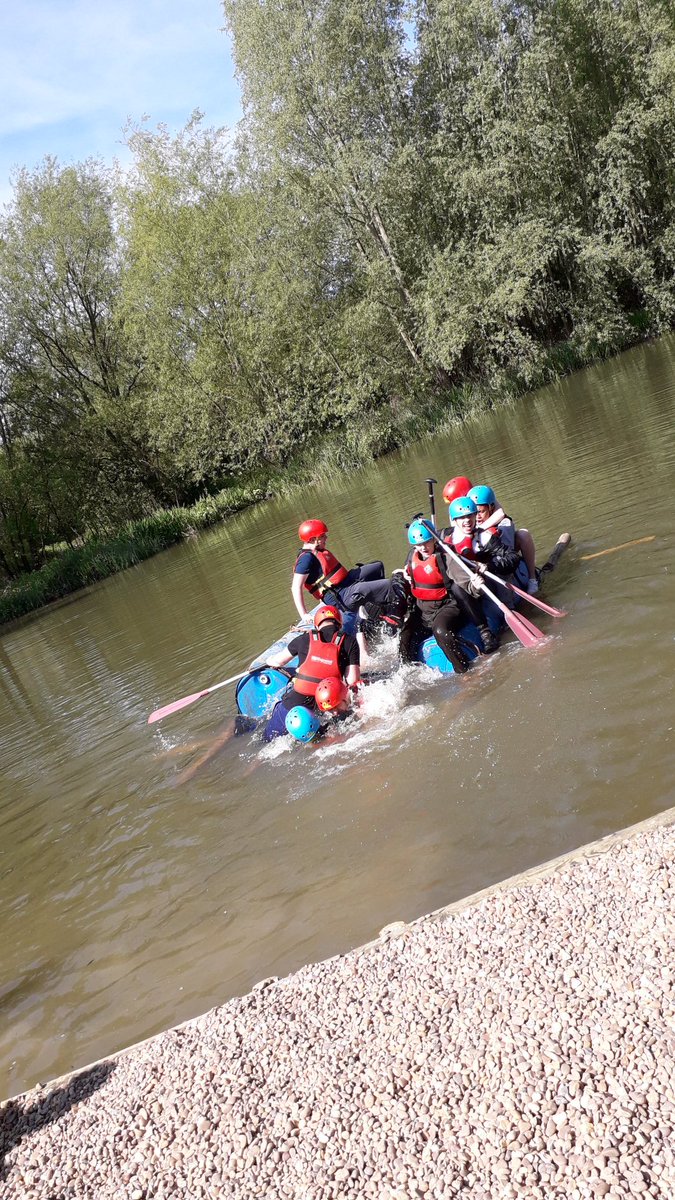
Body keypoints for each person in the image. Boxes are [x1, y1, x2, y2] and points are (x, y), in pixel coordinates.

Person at [399, 520, 498, 673]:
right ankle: (406, 673)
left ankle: (464, 671)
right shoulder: (413, 556)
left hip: (447, 606)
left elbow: (466, 586)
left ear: (433, 540)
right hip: (423, 609)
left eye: (426, 542)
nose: (423, 548)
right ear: (414, 546)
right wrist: (405, 575)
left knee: (440, 630)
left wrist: (476, 586)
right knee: (405, 635)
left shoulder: (446, 557)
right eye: (419, 545)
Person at [291, 519, 409, 648]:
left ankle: (375, 609)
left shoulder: (315, 551)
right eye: (323, 536)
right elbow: (295, 587)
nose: (326, 538)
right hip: (342, 596)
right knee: (388, 585)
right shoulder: (306, 559)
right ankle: (394, 623)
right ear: (313, 540)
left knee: (377, 567)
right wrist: (304, 614)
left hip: (346, 582)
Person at [261, 603, 361, 741]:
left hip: (295, 704)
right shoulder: (350, 641)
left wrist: (269, 660)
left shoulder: (303, 639)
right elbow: (352, 680)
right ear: (339, 624)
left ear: (316, 625)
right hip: (330, 706)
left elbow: (278, 662)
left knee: (267, 740)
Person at [468, 484, 538, 593]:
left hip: (504, 555)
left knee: (523, 534)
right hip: (483, 562)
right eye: (475, 513)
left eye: (481, 512)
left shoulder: (503, 522)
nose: (477, 517)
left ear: (491, 508)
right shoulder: (466, 523)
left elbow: (500, 513)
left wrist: (480, 530)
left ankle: (532, 579)